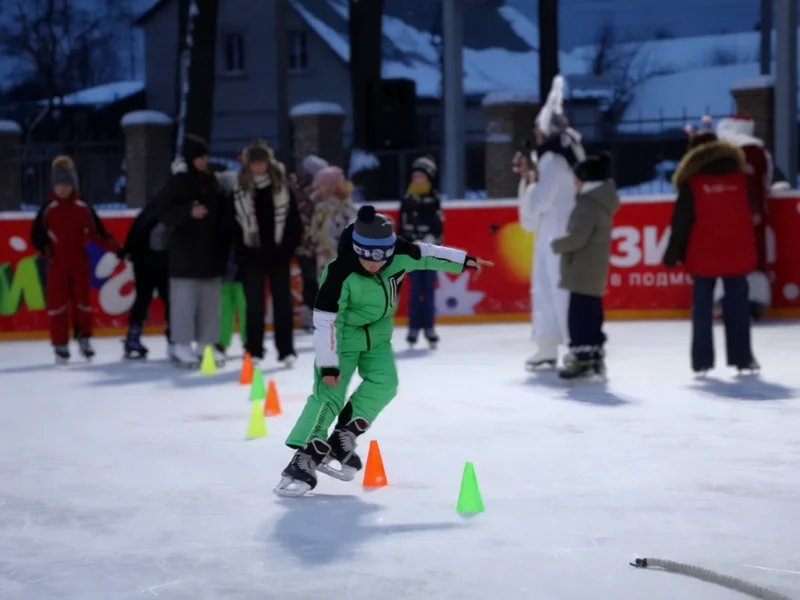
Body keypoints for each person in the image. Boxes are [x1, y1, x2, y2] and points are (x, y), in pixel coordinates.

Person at [273, 205, 493, 497]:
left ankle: (345, 434)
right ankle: (303, 456)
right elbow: (326, 321)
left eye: (382, 257)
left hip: (377, 338)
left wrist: (463, 260)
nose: (375, 264)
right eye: (368, 256)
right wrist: (328, 365)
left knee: (386, 383)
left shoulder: (398, 257)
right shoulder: (339, 273)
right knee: (329, 396)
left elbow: (426, 254)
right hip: (342, 339)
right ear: (357, 249)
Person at [663, 130, 760, 376]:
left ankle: (702, 361)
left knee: (702, 308)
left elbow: (681, 223)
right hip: (737, 252)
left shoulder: (692, 184)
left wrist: (672, 255)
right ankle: (743, 359)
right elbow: (753, 214)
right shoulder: (740, 179)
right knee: (738, 307)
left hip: (702, 254)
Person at [520, 75, 586, 372]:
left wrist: (529, 184)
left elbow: (537, 206)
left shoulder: (551, 162)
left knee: (559, 293)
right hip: (555, 236)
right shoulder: (563, 159)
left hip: (556, 238)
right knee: (547, 290)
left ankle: (574, 346)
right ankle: (547, 345)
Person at [29, 155, 120, 363]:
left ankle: (84, 339)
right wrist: (47, 253)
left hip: (79, 263)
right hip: (56, 266)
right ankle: (60, 344)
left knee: (82, 304)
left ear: (74, 185)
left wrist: (118, 249)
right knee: (57, 305)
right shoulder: (48, 210)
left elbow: (99, 234)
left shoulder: (82, 208)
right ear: (53, 186)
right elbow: (36, 236)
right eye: (59, 185)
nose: (63, 189)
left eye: (66, 184)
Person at [160, 134, 234, 368]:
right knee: (184, 302)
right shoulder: (178, 182)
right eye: (200, 157)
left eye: (206, 157)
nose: (204, 161)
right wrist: (187, 212)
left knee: (210, 303)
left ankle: (206, 344)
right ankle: (180, 344)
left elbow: (223, 212)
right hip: (185, 257)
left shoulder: (213, 181)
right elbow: (162, 211)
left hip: (211, 254)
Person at [228, 139, 303, 366]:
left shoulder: (282, 187)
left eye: (262, 163)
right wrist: (243, 252)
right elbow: (232, 225)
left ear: (268, 163)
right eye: (254, 163)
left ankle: (286, 350)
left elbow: (294, 223)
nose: (258, 168)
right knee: (254, 306)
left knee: (283, 304)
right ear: (248, 165)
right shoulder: (239, 190)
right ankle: (255, 351)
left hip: (279, 255)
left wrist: (286, 250)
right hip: (252, 257)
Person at [550, 152, 619, 381]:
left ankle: (582, 358)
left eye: (578, 180)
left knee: (579, 318)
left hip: (582, 270)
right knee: (592, 315)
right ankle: (595, 356)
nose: (575, 184)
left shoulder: (588, 206)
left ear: (588, 181)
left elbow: (577, 238)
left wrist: (557, 244)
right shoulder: (599, 202)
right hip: (592, 271)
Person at [713, 114, 775, 320]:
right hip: (755, 215)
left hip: (724, 213)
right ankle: (754, 303)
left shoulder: (720, 151)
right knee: (754, 255)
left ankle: (725, 302)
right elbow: (767, 181)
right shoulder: (760, 153)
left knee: (725, 257)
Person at [118, 190, 170, 359]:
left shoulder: (151, 208)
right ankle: (174, 338)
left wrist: (129, 250)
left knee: (145, 297)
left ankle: (133, 336)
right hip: (153, 260)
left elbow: (135, 231)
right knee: (168, 298)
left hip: (145, 259)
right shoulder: (163, 209)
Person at [398, 155, 444, 348]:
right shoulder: (407, 199)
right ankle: (414, 328)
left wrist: (432, 239)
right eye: (415, 176)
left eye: (421, 177)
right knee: (415, 290)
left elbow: (438, 225)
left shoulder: (433, 199)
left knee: (429, 289)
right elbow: (401, 226)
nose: (417, 180)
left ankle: (429, 327)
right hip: (412, 252)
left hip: (430, 252)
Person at [291, 155, 329, 331]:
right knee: (310, 279)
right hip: (304, 243)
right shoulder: (296, 190)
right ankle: (309, 316)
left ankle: (321, 315)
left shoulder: (323, 192)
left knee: (322, 279)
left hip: (321, 243)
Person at [308, 166, 357, 278]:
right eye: (323, 184)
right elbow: (314, 232)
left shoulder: (347, 207)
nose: (325, 187)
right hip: (324, 257)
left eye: (329, 183)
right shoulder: (318, 206)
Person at [217, 246, 246, 357]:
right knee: (224, 312)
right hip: (223, 275)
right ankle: (221, 343)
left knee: (245, 310)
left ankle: (248, 343)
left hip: (243, 275)